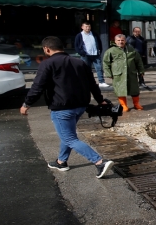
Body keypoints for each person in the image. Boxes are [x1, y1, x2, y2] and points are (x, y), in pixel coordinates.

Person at [20, 36, 114, 179]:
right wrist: (100, 100)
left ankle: (100, 162)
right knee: (68, 134)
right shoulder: (80, 63)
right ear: (62, 48)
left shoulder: (47, 64)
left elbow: (37, 87)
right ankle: (61, 162)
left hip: (62, 108)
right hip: (80, 106)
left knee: (69, 138)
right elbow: (92, 84)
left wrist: (26, 104)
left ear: (46, 49)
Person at [103, 34, 145, 112]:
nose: (120, 42)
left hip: (131, 73)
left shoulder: (131, 49)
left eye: (122, 40)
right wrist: (108, 73)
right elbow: (106, 63)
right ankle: (124, 105)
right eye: (118, 40)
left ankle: (136, 104)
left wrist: (141, 70)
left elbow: (138, 61)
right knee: (120, 90)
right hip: (118, 74)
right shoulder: (111, 51)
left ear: (125, 41)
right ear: (115, 41)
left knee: (134, 90)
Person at [74, 21, 109, 88]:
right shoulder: (79, 35)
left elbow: (99, 42)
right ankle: (86, 82)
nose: (88, 28)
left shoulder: (94, 34)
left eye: (89, 26)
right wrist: (82, 53)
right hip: (86, 55)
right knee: (86, 69)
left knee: (99, 68)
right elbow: (76, 46)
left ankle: (101, 82)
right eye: (86, 26)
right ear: (82, 27)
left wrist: (99, 50)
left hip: (96, 54)